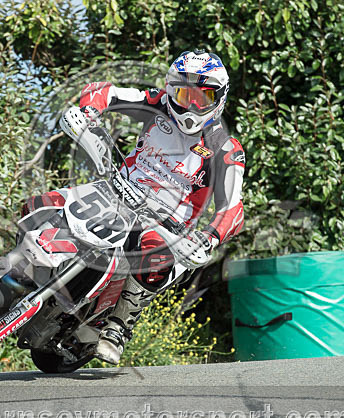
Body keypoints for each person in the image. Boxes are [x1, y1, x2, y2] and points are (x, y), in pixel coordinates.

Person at [21, 49, 246, 364]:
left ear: (219, 98)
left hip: (165, 225)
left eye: (202, 96)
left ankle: (118, 328)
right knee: (38, 205)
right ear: (170, 90)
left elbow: (233, 209)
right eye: (183, 93)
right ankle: (22, 274)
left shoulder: (225, 148)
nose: (191, 105)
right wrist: (86, 114)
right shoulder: (156, 103)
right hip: (115, 192)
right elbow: (105, 93)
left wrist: (208, 237)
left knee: (157, 253)